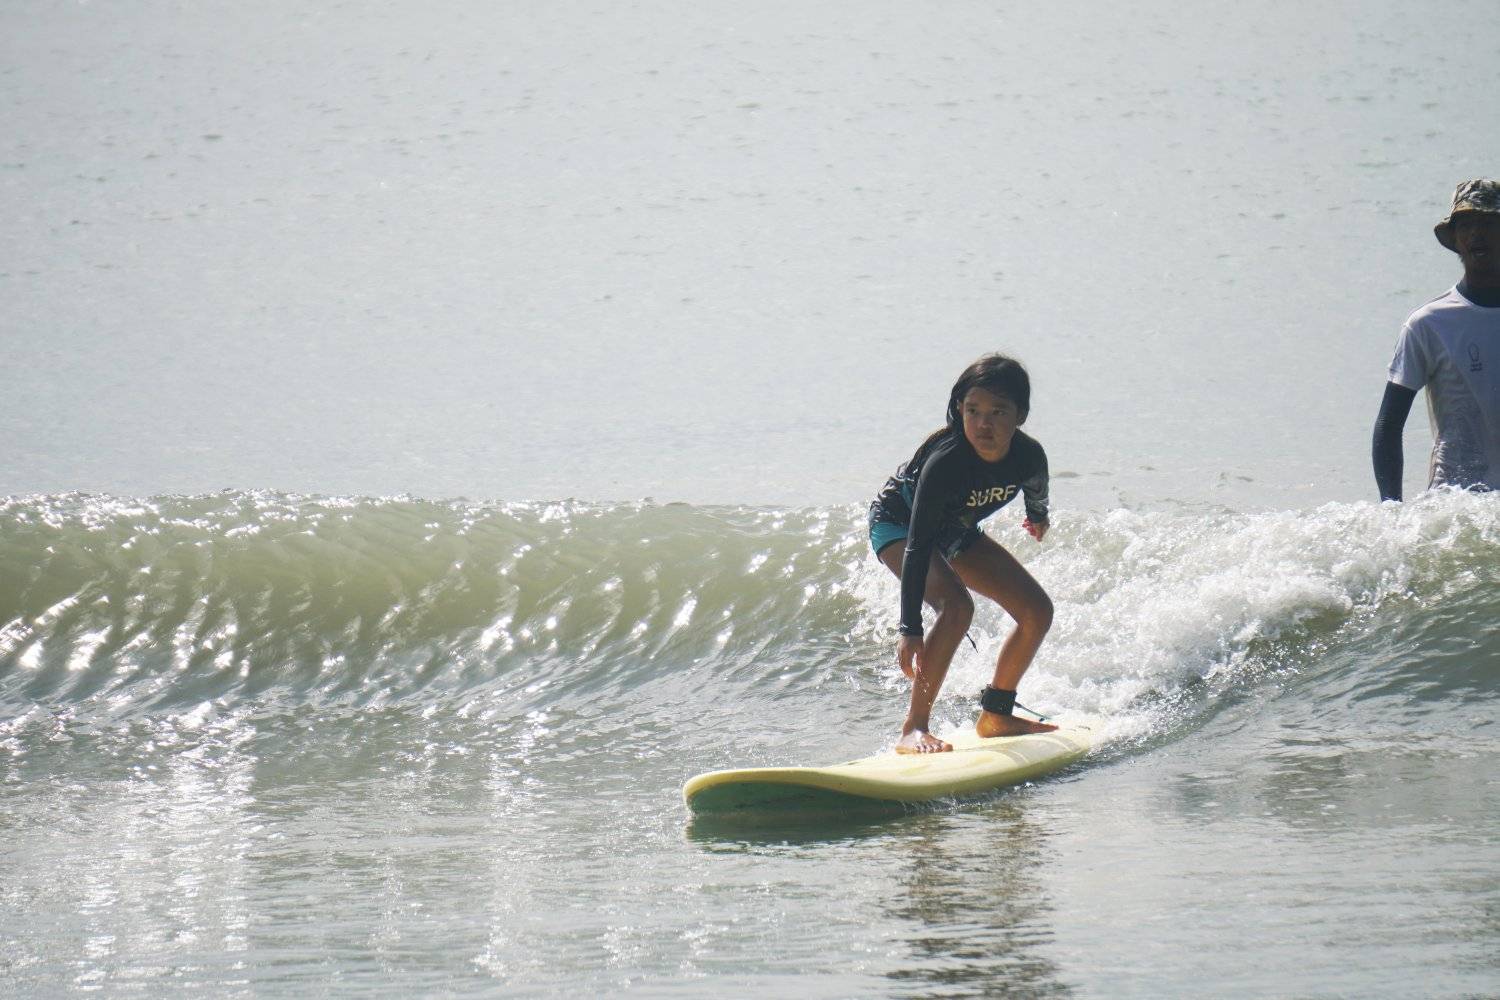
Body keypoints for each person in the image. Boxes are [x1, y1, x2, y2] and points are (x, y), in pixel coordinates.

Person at [868, 354, 1058, 754]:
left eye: (997, 412)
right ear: (959, 410)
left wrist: (1037, 518)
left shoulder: (1028, 457)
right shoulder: (947, 462)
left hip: (955, 531)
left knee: (1037, 611)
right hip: (900, 525)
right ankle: (914, 728)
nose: (983, 424)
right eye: (972, 411)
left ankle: (996, 714)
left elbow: (1037, 491)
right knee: (956, 607)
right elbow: (919, 544)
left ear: (1020, 415)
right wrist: (910, 628)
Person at [1373, 179, 1500, 500]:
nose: (1476, 234)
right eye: (1466, 225)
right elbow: (1389, 424)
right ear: (1455, 239)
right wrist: (1391, 510)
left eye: (1487, 223)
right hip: (1456, 507)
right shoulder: (1429, 323)